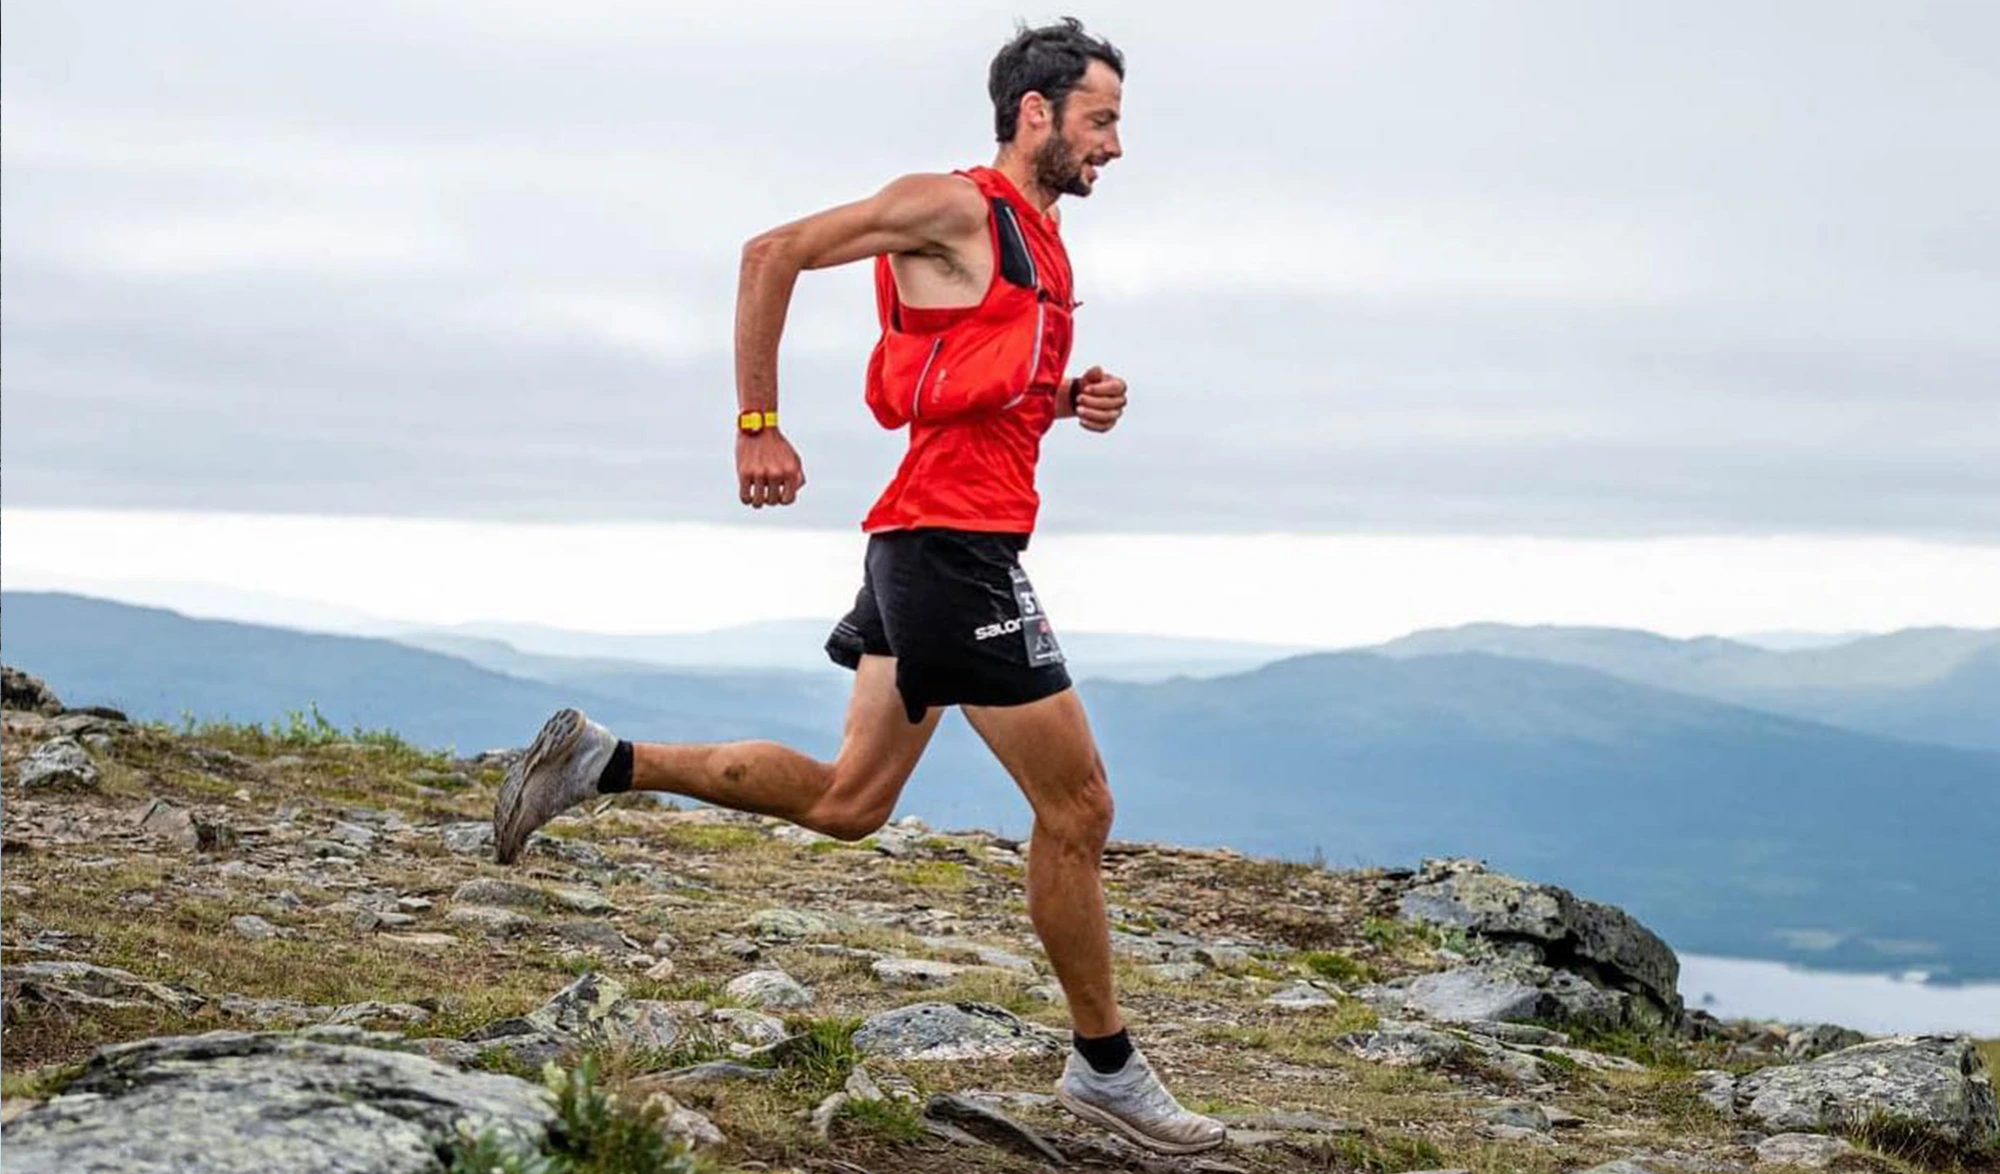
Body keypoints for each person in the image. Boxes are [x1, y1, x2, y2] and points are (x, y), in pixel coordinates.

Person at [492, 18, 1225, 1155]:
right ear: (1035, 112)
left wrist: (1062, 394)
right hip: (948, 555)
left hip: (930, 544)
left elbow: (964, 375)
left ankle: (603, 759)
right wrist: (757, 427)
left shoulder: (1036, 238)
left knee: (849, 800)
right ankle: (1106, 1071)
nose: (1115, 146)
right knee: (1078, 809)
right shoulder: (953, 205)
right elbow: (768, 251)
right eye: (1102, 120)